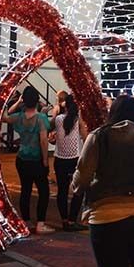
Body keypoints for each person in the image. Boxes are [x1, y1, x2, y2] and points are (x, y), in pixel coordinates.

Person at [73, 95, 134, 267]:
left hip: (107, 216)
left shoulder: (98, 137)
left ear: (112, 113)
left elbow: (82, 178)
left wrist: (75, 187)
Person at [2, 86, 53, 234]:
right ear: (37, 100)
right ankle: (40, 224)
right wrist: (45, 161)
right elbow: (43, 141)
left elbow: (5, 116)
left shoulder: (19, 117)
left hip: (22, 158)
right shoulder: (41, 118)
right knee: (44, 191)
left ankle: (26, 222)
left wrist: (18, 102)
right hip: (36, 159)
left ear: (24, 100)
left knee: (26, 190)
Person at [52, 97, 87, 231]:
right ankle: (72, 220)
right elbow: (86, 138)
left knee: (62, 190)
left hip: (60, 159)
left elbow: (51, 128)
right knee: (78, 190)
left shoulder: (58, 119)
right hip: (75, 159)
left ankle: (64, 221)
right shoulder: (78, 120)